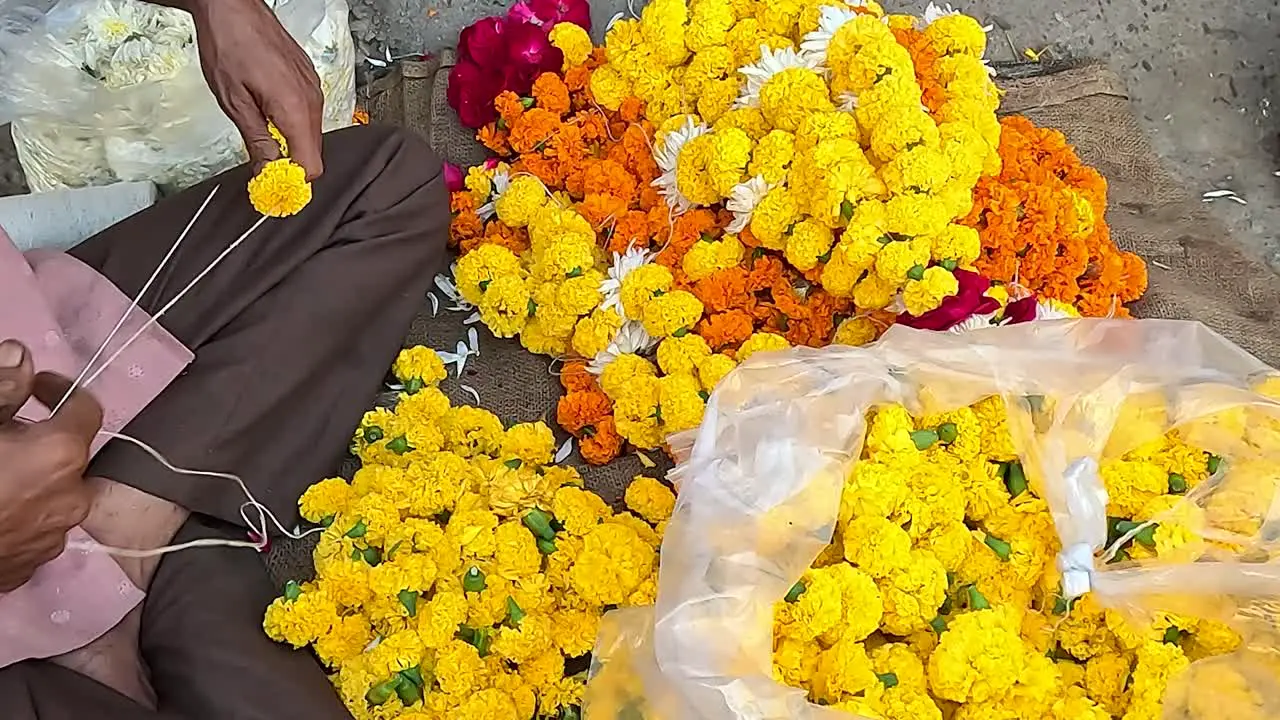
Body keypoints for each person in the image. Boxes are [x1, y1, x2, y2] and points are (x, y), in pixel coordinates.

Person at [0, 0, 447, 717]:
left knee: (385, 186)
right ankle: (141, 569)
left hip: (58, 349)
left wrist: (219, 7)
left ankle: (143, 519)